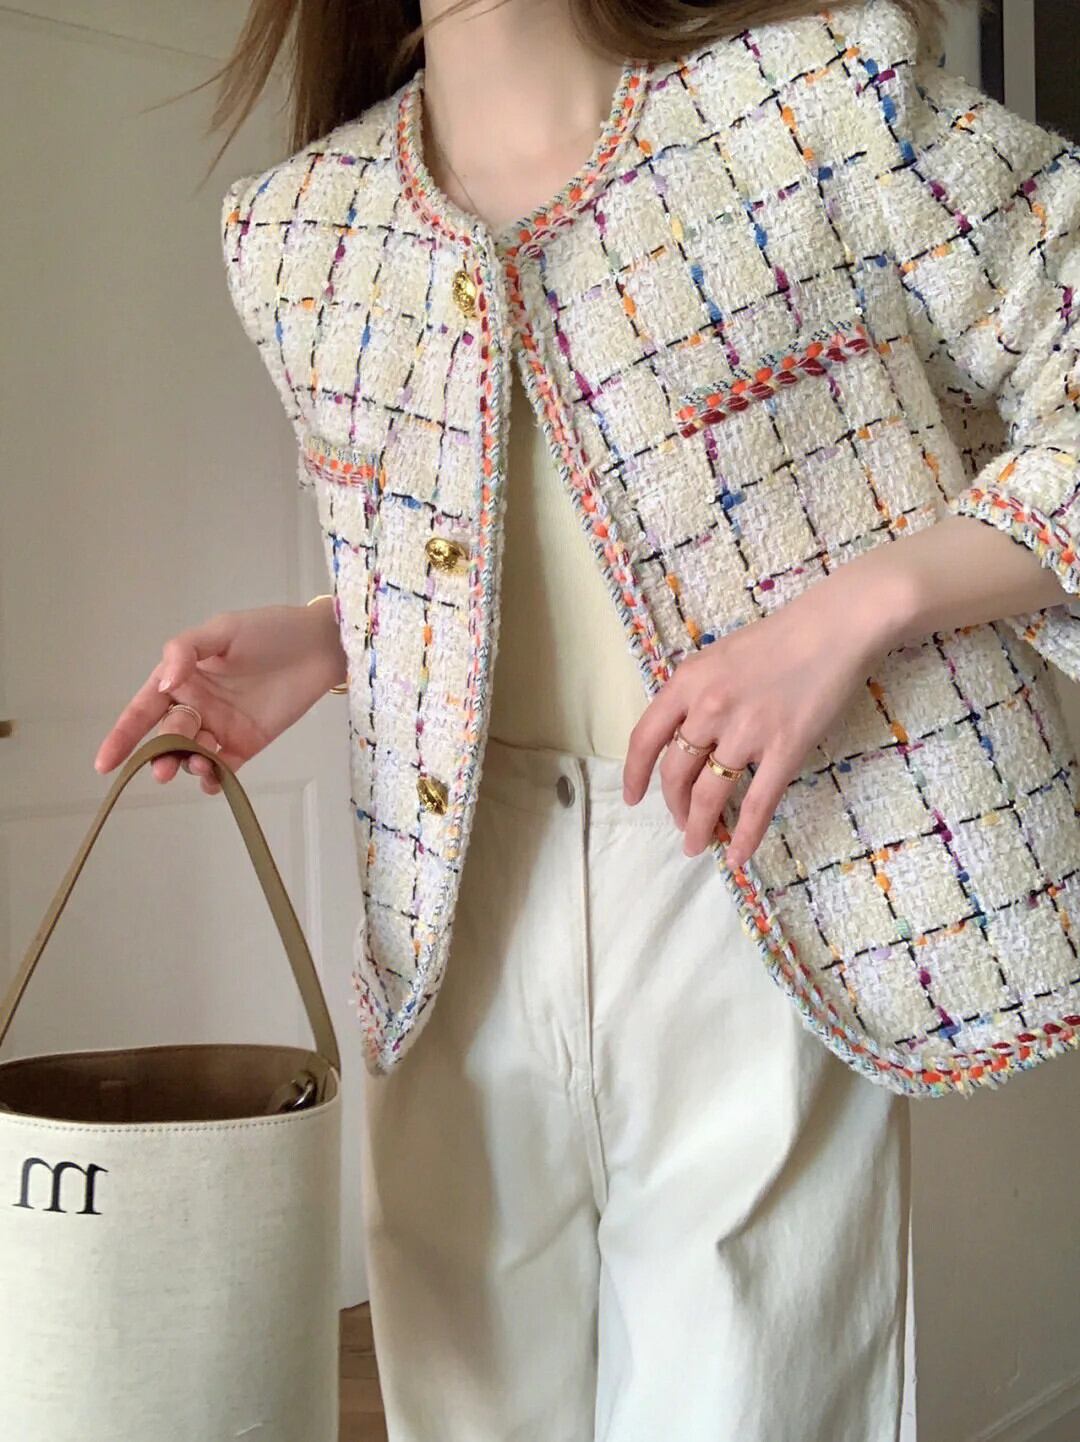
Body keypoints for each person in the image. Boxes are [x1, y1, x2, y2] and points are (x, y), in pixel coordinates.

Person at [97, 0, 1080, 1437]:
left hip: (746, 863)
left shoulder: (816, 103)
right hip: (448, 912)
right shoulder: (302, 232)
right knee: (469, 1401)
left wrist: (851, 612)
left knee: (751, 1399)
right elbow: (477, 536)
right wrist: (330, 636)